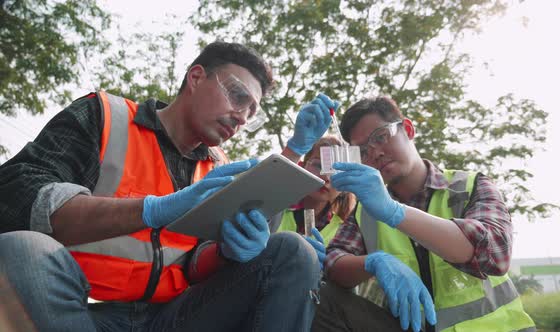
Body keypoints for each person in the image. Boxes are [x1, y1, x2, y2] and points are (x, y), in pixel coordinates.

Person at [0, 41, 325, 332]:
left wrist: (226, 252)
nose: (241, 117)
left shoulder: (219, 168)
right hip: (80, 310)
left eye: (251, 112)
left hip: (173, 318)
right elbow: (15, 196)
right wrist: (150, 210)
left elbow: (194, 264)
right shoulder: (104, 117)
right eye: (238, 97)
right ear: (196, 77)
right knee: (23, 249)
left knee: (294, 251)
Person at [313, 97, 536, 332]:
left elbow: (496, 252)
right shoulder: (366, 211)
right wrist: (373, 262)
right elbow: (333, 260)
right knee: (318, 297)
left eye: (381, 137)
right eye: (363, 151)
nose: (375, 153)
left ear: (408, 129)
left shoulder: (469, 186)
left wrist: (394, 212)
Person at [274, 136, 357, 267]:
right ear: (301, 166)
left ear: (345, 186)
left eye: (337, 172)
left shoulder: (344, 229)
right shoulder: (275, 204)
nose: (326, 177)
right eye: (318, 165)